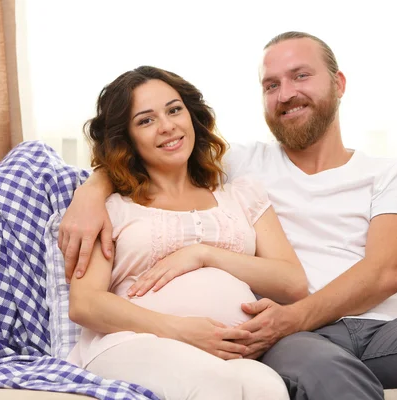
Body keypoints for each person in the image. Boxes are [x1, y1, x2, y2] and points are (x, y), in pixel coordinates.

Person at [59, 32, 397, 399]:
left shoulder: (388, 174)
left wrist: (287, 316)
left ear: (339, 83)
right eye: (271, 85)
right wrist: (91, 191)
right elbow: (159, 159)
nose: (286, 93)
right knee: (325, 371)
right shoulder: (239, 164)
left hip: (370, 329)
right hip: (294, 339)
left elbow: (385, 273)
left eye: (300, 76)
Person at [65, 65, 306, 400]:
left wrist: (204, 254)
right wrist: (178, 330)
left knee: (269, 388)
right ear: (127, 137)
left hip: (227, 353)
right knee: (214, 386)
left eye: (174, 110)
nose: (167, 126)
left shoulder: (240, 196)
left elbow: (292, 282)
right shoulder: (110, 206)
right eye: (146, 120)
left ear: (192, 116)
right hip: (132, 343)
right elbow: (84, 303)